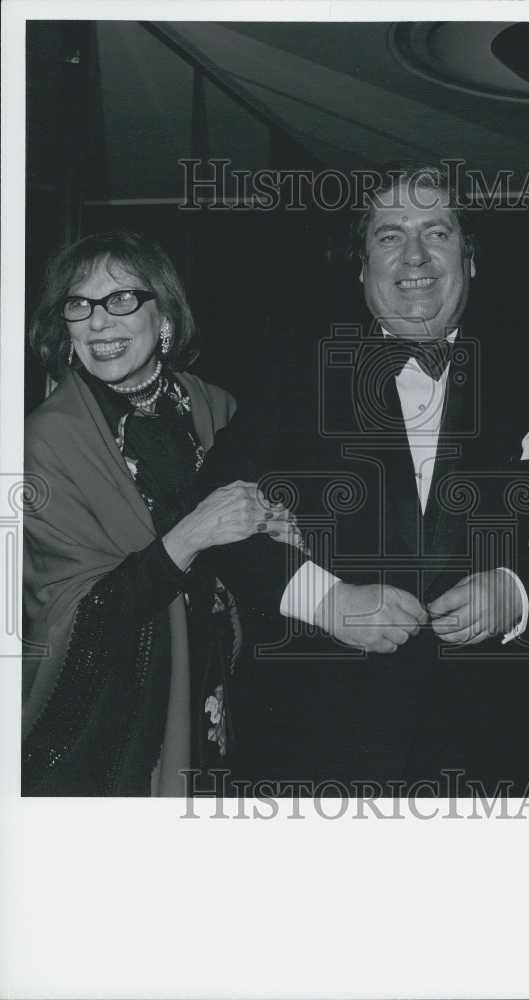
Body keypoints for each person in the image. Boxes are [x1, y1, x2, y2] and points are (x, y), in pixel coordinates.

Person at [198, 163, 529, 795]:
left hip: (497, 756)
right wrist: (324, 600)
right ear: (362, 267)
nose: (414, 255)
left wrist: (517, 592)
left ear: (470, 260)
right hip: (323, 750)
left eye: (436, 232)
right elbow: (211, 509)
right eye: (390, 235)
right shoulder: (292, 375)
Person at [23, 231, 298, 796]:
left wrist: (282, 531)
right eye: (80, 305)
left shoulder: (216, 408)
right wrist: (191, 535)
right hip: (124, 726)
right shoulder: (45, 439)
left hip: (222, 688)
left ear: (165, 315)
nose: (99, 322)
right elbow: (70, 618)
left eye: (121, 299)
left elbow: (257, 565)